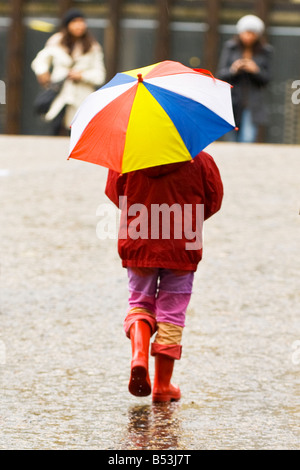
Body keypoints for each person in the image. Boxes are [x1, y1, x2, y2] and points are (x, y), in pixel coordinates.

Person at [105, 152, 223, 402]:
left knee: (140, 303)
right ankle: (162, 386)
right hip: (182, 245)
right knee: (172, 314)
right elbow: (213, 200)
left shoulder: (127, 156)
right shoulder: (200, 160)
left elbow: (115, 193)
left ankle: (139, 356)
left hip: (139, 241)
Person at [31, 9, 106, 135]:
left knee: (77, 132)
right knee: (53, 130)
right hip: (59, 95)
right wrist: (43, 72)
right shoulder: (56, 41)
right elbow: (40, 60)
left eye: (82, 22)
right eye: (75, 22)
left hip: (81, 99)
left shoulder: (92, 46)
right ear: (67, 25)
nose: (79, 25)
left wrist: (82, 75)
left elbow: (100, 75)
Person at [217, 14, 273, 143]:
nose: (248, 37)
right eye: (246, 33)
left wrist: (256, 70)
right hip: (232, 101)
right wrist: (234, 69)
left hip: (252, 102)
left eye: (252, 33)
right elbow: (221, 74)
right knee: (232, 138)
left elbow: (267, 79)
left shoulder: (265, 51)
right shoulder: (230, 48)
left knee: (247, 138)